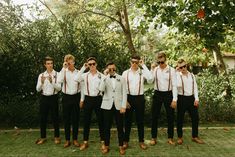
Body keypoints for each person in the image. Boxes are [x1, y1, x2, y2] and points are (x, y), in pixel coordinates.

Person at [122, 54, 153, 150]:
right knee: (127, 121)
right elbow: (123, 88)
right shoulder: (125, 73)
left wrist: (143, 65)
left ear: (139, 62)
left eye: (136, 62)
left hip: (139, 98)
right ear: (130, 62)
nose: (134, 64)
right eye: (133, 62)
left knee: (140, 121)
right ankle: (125, 141)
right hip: (129, 98)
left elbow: (151, 79)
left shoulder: (142, 72)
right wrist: (125, 100)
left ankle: (141, 141)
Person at [58, 54, 85, 148]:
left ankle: (75, 139)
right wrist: (63, 68)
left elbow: (82, 87)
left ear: (74, 62)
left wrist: (82, 99)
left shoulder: (78, 72)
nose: (70, 64)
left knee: (75, 119)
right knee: (66, 119)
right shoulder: (63, 72)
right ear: (66, 62)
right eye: (68, 62)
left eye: (71, 62)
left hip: (76, 97)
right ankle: (67, 140)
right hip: (66, 97)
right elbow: (59, 80)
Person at [99, 62, 127, 155]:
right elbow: (101, 89)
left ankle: (121, 146)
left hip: (118, 106)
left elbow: (124, 93)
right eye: (109, 69)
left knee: (120, 126)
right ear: (107, 69)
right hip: (107, 105)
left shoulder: (121, 78)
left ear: (115, 69)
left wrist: (123, 106)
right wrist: (104, 76)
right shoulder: (104, 78)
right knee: (106, 127)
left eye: (113, 69)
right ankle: (106, 146)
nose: (111, 70)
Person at [150, 52, 177, 145]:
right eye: (159, 62)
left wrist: (174, 99)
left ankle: (170, 138)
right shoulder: (155, 69)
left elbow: (174, 85)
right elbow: (150, 80)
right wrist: (151, 69)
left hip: (168, 94)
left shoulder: (172, 70)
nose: (160, 64)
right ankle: (153, 138)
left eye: (162, 62)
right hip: (157, 94)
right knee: (154, 116)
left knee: (170, 116)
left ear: (165, 60)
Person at [78, 57, 105, 151]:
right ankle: (85, 142)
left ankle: (103, 142)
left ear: (96, 64)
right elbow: (76, 78)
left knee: (101, 121)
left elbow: (103, 89)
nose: (92, 66)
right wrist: (83, 68)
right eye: (90, 64)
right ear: (88, 65)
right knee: (86, 121)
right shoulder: (85, 75)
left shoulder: (102, 75)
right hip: (88, 99)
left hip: (98, 99)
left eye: (93, 64)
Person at [176, 59, 204, 145]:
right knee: (180, 119)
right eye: (181, 67)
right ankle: (180, 137)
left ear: (186, 65)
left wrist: (196, 99)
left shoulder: (192, 75)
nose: (183, 68)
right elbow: (178, 85)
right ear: (178, 68)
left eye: (184, 66)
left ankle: (194, 136)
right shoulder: (178, 76)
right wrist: (178, 73)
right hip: (182, 98)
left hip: (191, 98)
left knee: (195, 118)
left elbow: (195, 87)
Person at [35, 56, 61, 145]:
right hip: (44, 98)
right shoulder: (41, 75)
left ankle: (57, 137)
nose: (50, 65)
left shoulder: (57, 74)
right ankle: (43, 137)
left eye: (51, 63)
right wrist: (41, 83)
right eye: (48, 64)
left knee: (55, 118)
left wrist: (52, 81)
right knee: (43, 118)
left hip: (53, 97)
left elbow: (59, 88)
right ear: (45, 65)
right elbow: (38, 89)